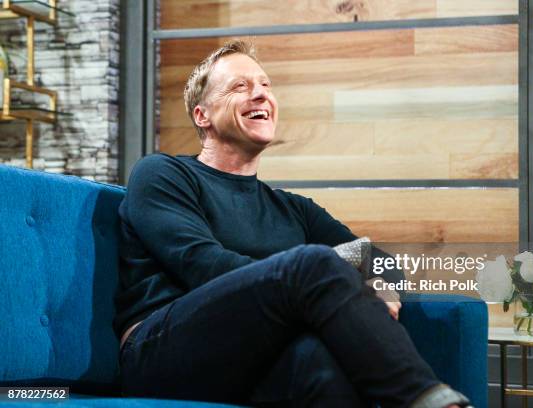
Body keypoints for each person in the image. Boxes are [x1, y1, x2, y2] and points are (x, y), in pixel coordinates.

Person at [114, 39, 472, 408]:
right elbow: (203, 266)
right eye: (240, 87)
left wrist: (382, 284)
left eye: (265, 86)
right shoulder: (162, 174)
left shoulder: (294, 210)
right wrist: (306, 286)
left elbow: (377, 259)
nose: (260, 95)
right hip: (160, 350)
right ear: (202, 115)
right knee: (313, 264)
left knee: (321, 363)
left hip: (256, 354)